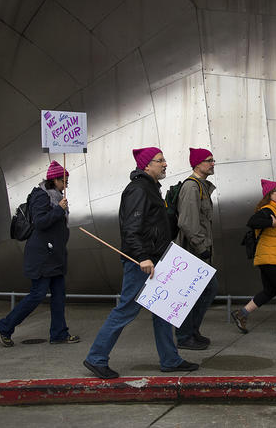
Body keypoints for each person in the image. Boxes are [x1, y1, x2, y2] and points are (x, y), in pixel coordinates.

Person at [83, 147, 198, 379]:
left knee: (163, 312)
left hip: (157, 259)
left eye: (164, 160)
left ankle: (170, 360)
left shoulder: (151, 189)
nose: (165, 164)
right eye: (160, 160)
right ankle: (96, 358)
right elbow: (131, 228)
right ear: (147, 165)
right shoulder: (138, 189)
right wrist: (142, 257)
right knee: (126, 310)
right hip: (143, 262)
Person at [0, 161, 79, 346]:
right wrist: (59, 210)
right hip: (42, 255)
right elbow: (40, 222)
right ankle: (4, 326)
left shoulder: (56, 196)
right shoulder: (41, 196)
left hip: (55, 256)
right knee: (37, 294)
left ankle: (59, 333)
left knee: (58, 295)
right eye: (64, 180)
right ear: (54, 180)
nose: (66, 184)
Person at [231, 179, 276, 337]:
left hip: (273, 257)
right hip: (273, 258)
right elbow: (252, 221)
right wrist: (269, 223)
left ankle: (242, 314)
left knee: (270, 290)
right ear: (269, 195)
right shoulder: (267, 210)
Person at [173, 147, 218, 350]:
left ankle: (192, 330)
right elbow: (187, 222)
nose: (212, 163)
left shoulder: (202, 186)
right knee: (191, 293)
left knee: (206, 290)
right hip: (192, 251)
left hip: (199, 250)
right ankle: (184, 336)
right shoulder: (192, 187)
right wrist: (201, 247)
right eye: (208, 160)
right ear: (197, 164)